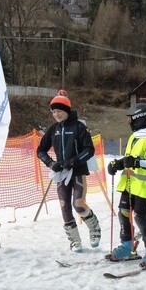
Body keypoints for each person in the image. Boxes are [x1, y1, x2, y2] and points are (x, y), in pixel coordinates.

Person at [37, 90, 101, 252]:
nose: (56, 114)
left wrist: (73, 162)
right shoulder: (53, 129)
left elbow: (89, 150)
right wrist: (51, 164)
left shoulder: (79, 127)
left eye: (59, 111)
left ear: (66, 110)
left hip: (77, 171)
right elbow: (40, 150)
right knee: (64, 206)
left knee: (78, 204)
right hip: (61, 173)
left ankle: (94, 228)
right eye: (53, 112)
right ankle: (74, 240)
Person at [107, 103, 146, 267]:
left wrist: (137, 162)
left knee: (140, 216)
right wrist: (117, 164)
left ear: (140, 119)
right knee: (123, 212)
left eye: (130, 119)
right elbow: (131, 159)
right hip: (131, 183)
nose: (129, 123)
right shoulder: (137, 137)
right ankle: (127, 247)